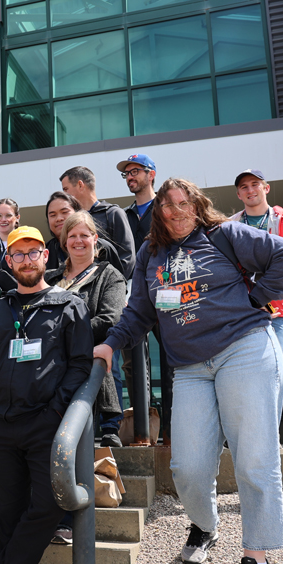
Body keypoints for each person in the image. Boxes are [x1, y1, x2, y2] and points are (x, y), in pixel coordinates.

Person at [96, 177, 283, 564]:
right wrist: (110, 344)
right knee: (187, 467)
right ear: (157, 213)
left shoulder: (223, 233)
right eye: (167, 206)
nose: (176, 212)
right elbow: (139, 310)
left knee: (253, 457)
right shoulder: (150, 253)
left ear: (197, 204)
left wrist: (256, 298)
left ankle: (257, 559)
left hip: (243, 349)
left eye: (182, 203)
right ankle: (206, 525)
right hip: (190, 367)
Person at [0, 226, 93, 564]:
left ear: (46, 256)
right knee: (7, 515)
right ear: (8, 261)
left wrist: (56, 410)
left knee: (50, 505)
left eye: (33, 253)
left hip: (44, 423)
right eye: (17, 255)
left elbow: (80, 364)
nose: (26, 260)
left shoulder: (68, 305)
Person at [54, 211, 125, 447]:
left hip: (90, 353)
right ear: (65, 242)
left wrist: (65, 336)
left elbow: (109, 319)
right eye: (72, 235)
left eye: (84, 235)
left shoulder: (109, 275)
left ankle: (109, 425)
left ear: (95, 238)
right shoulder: (52, 280)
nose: (78, 241)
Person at [229, 169, 283, 365]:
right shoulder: (229, 225)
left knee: (277, 368)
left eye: (255, 184)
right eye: (244, 187)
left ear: (266, 188)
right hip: (243, 310)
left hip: (279, 308)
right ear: (239, 195)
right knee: (246, 371)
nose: (250, 190)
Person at [118, 153, 163, 442]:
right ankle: (142, 426)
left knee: (175, 357)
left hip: (165, 293)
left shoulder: (166, 208)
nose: (131, 176)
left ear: (152, 174)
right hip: (132, 298)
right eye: (127, 173)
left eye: (136, 171)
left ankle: (173, 425)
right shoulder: (122, 215)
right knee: (132, 362)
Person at [60, 166, 136, 278]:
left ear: (80, 185)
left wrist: (114, 286)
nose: (64, 196)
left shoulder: (113, 214)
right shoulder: (72, 220)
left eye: (66, 189)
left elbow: (127, 258)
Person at [44, 191, 124, 274]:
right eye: (53, 215)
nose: (59, 218)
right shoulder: (45, 252)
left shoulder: (104, 248)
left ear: (78, 213)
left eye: (65, 212)